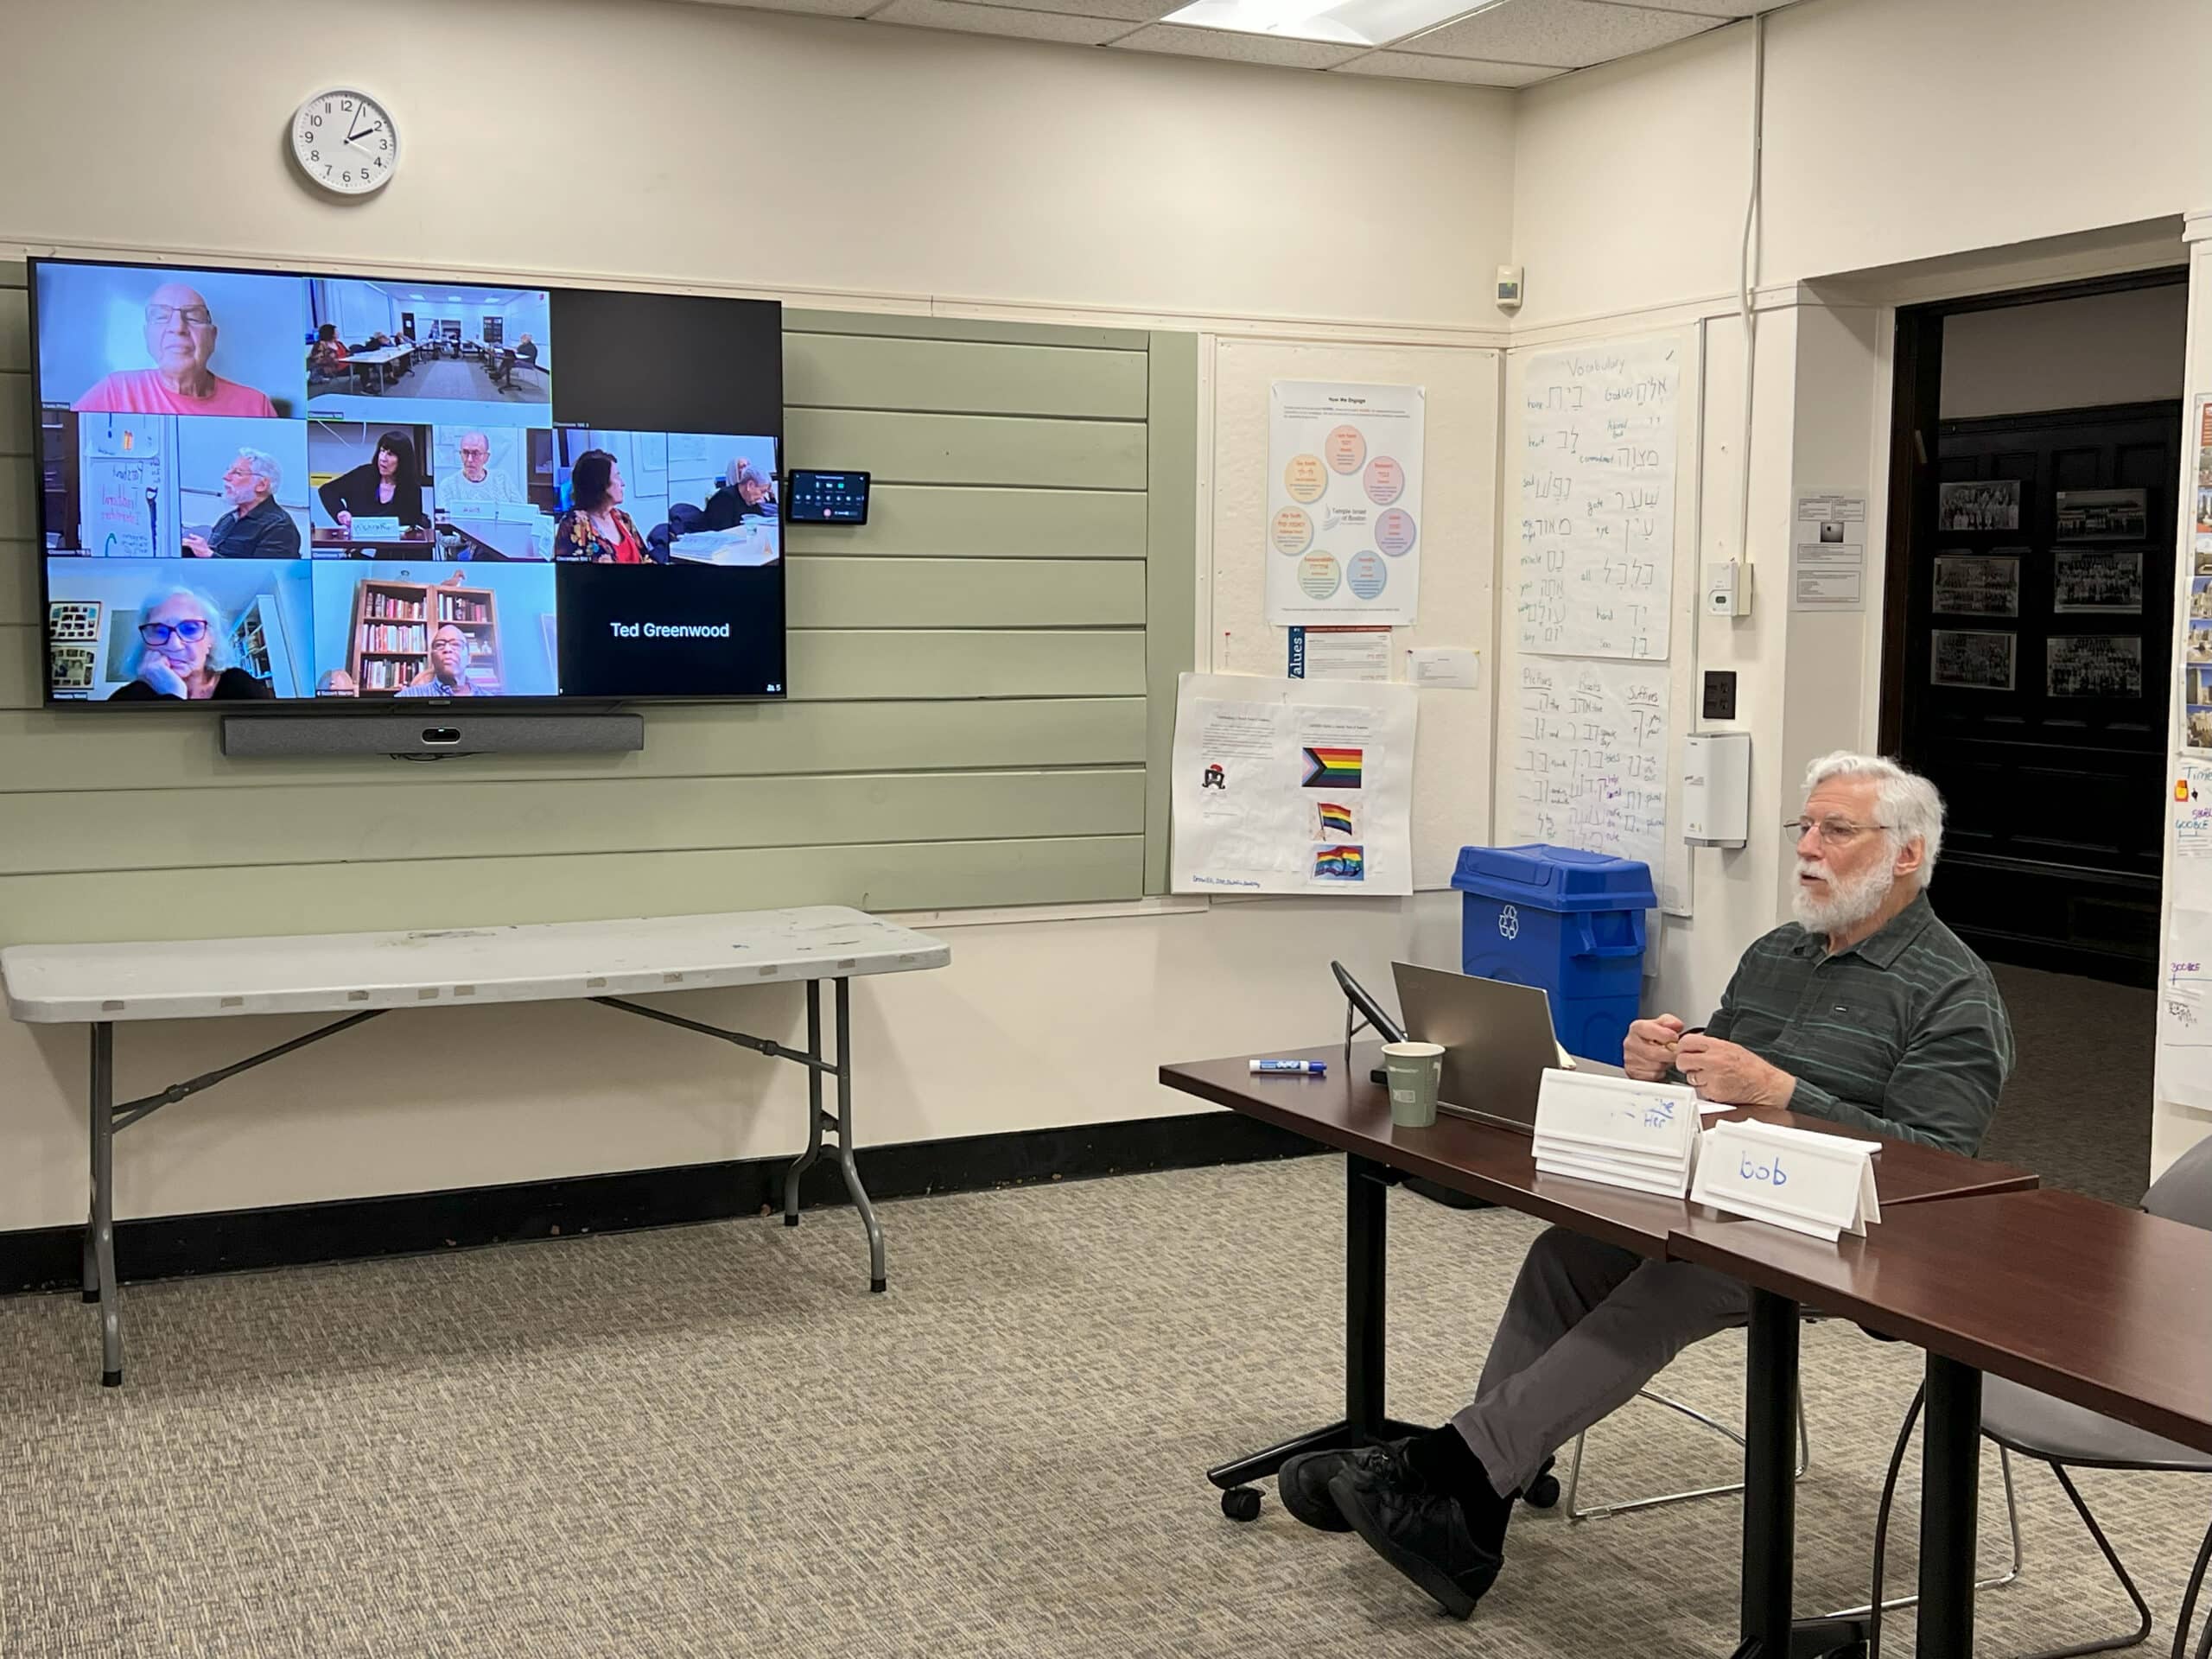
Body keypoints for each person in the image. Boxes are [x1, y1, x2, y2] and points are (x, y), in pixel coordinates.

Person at [1286, 751, 2015, 1623]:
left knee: (1679, 1280)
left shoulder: (1955, 993)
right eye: (1805, 827)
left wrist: (1782, 1093)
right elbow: (1717, 1076)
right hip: (1721, 1185)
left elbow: (1940, 1167)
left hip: (1843, 1230)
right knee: (1565, 1253)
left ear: (1905, 854)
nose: (1807, 848)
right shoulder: (1778, 952)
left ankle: (1445, 1475)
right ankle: (1473, 1496)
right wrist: (1661, 1066)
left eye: (1836, 831)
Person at [73, 283, 281, 417]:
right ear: (147, 337)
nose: (177, 327)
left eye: (193, 316)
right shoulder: (115, 391)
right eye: (161, 316)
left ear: (212, 337)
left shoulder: (255, 405)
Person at [105, 587, 272, 702]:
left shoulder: (239, 685)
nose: (174, 645)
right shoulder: (127, 698)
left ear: (210, 640)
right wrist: (174, 694)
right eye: (158, 630)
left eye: (190, 628)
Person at [185, 448, 301, 559]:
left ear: (262, 485)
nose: (226, 477)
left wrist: (208, 555)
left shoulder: (279, 527)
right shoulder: (228, 519)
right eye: (229, 470)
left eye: (238, 473)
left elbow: (263, 575)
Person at [320, 430, 428, 536]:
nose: (383, 459)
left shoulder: (411, 489)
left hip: (394, 550)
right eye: (382, 451)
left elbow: (413, 527)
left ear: (402, 460)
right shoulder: (363, 475)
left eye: (390, 454)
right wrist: (340, 512)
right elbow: (327, 490)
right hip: (359, 549)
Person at [553, 449, 648, 563]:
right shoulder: (575, 524)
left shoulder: (623, 518)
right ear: (600, 483)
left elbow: (646, 559)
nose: (622, 483)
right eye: (617, 476)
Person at [437, 430, 521, 512]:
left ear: (486, 457)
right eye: (465, 453)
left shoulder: (502, 479)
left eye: (475, 453)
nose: (469, 460)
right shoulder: (448, 486)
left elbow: (522, 514)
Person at [395, 624, 476, 696]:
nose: (447, 649)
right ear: (432, 658)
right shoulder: (408, 697)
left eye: (456, 644)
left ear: (469, 658)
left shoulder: (487, 698)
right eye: (440, 645)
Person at [702, 460, 776, 530]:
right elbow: (722, 531)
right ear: (750, 485)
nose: (762, 496)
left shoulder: (751, 502)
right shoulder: (724, 498)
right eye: (762, 491)